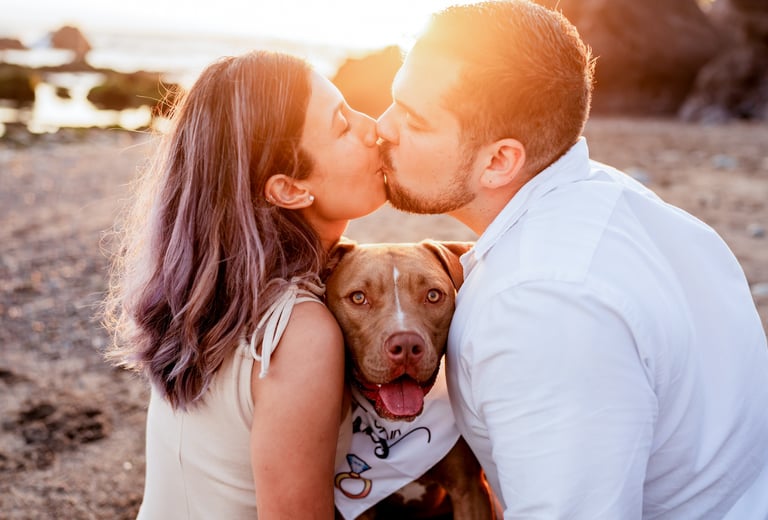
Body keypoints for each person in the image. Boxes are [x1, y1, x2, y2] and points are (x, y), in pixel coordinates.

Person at [376, 1, 768, 518]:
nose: (382, 127)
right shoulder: (619, 202)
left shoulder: (541, 304)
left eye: (415, 121)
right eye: (393, 101)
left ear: (499, 161)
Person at [102, 50, 385, 519]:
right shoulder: (299, 334)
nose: (372, 126)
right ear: (290, 189)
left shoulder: (210, 293)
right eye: (342, 125)